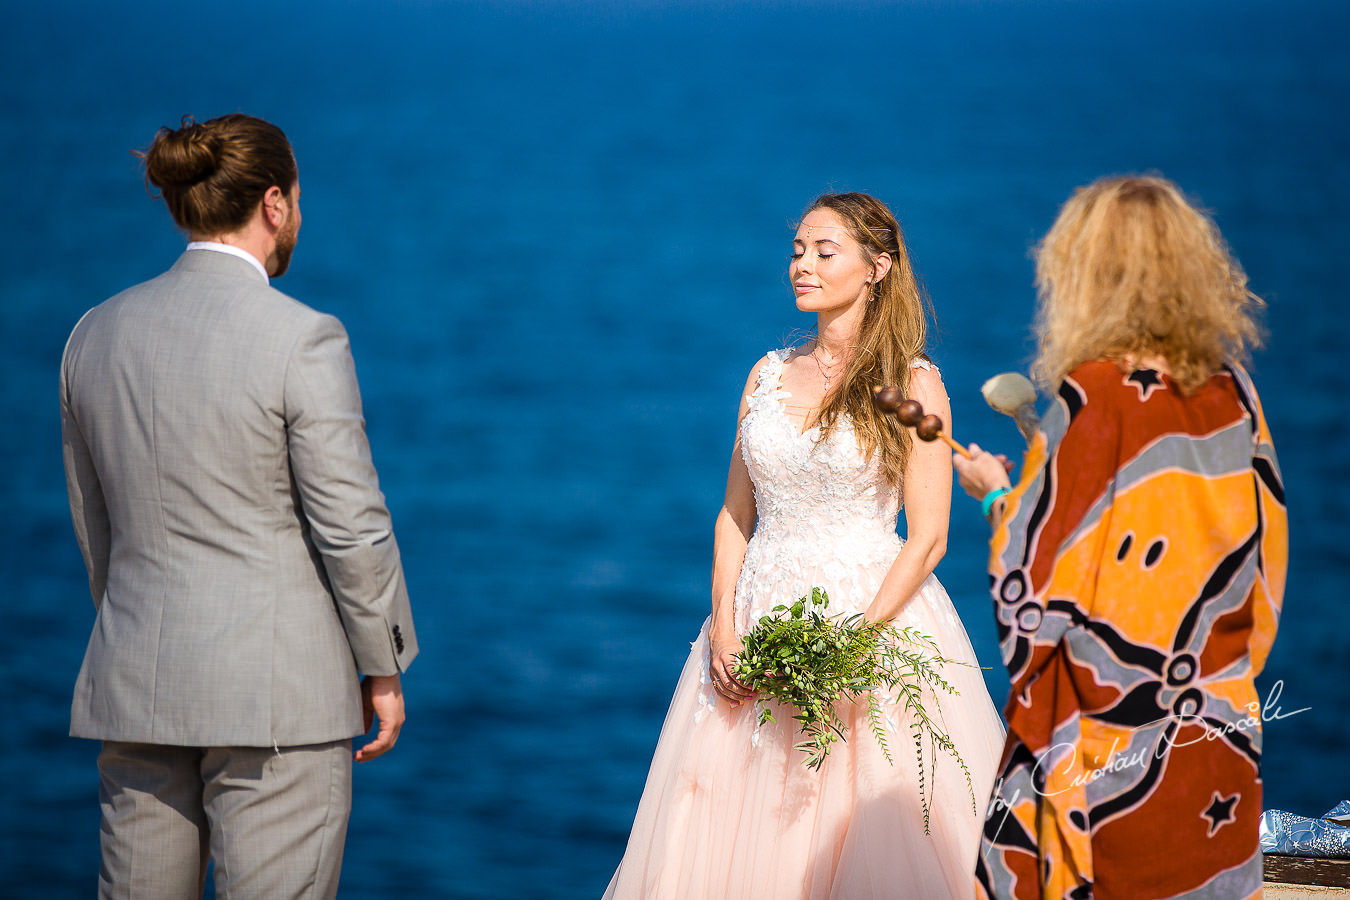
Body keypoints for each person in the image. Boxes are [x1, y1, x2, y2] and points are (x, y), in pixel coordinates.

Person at [604, 192, 1005, 899]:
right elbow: (734, 516)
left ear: (878, 266)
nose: (803, 266)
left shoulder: (912, 385)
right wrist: (725, 625)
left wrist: (856, 642)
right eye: (797, 251)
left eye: (825, 252)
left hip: (872, 621)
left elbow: (931, 534)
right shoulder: (764, 376)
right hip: (755, 625)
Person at [60, 113, 418, 899]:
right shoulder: (303, 338)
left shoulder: (93, 335)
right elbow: (350, 525)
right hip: (278, 706)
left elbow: (98, 531)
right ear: (275, 203)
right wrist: (381, 664)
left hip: (137, 687)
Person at [952, 175, 1286, 900]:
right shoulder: (1236, 395)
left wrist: (996, 496)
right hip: (1217, 740)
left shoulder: (1092, 397)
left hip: (1107, 759)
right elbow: (1264, 571)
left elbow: (1033, 602)